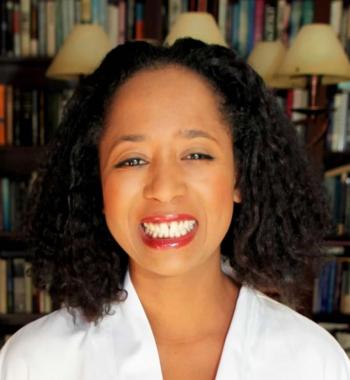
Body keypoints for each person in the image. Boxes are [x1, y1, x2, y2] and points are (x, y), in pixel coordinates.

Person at [0, 38, 349, 380]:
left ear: (241, 177)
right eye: (132, 160)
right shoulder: (33, 363)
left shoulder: (312, 361)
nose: (164, 189)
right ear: (98, 186)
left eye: (196, 154)